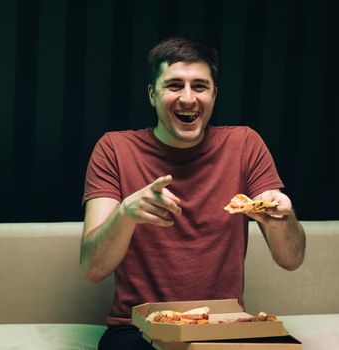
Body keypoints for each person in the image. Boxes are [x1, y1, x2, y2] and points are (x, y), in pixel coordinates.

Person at [80, 36, 306, 350]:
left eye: (199, 86)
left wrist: (283, 220)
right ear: (151, 95)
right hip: (139, 329)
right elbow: (92, 269)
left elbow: (291, 259)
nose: (188, 98)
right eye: (174, 85)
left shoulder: (245, 145)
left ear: (214, 94)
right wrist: (125, 214)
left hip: (223, 326)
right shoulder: (114, 149)